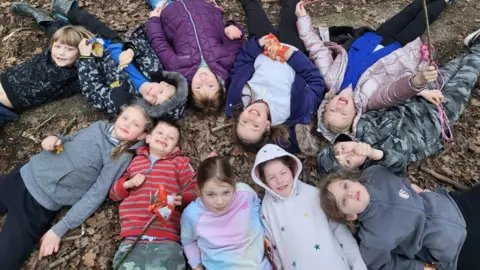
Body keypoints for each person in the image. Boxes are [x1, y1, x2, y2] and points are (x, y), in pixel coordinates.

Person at [0, 103, 153, 269]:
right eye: (125, 118)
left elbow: (96, 194)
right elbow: (68, 140)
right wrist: (52, 139)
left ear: (142, 135)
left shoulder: (120, 156)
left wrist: (60, 228)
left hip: (37, 204)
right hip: (22, 175)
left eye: (136, 124)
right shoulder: (98, 126)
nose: (127, 124)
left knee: (6, 259)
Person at [316, 29, 480, 175]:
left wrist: (421, 91)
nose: (350, 152)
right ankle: (476, 48)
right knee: (466, 77)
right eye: (348, 161)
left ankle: (473, 49)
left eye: (342, 148)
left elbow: (390, 100)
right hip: (436, 119)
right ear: (354, 171)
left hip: (417, 99)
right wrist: (373, 153)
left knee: (448, 70)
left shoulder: (361, 124)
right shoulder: (376, 169)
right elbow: (399, 162)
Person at [296, 0, 451, 141]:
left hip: (374, 38)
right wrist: (418, 82)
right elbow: (394, 92)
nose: (339, 107)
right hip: (399, 48)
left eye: (331, 111)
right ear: (355, 115)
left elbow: (317, 50)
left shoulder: (330, 78)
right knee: (423, 19)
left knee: (409, 11)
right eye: (343, 114)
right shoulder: (369, 100)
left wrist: (303, 20)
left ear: (327, 104)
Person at [319, 165, 478, 270]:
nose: (350, 193)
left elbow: (398, 167)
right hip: (455, 250)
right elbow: (383, 265)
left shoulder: (376, 173)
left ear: (352, 180)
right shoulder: (373, 239)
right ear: (350, 216)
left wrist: (412, 187)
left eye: (345, 186)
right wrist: (419, 267)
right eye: (344, 201)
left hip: (456, 205)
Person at [51, 0, 189, 119]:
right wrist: (130, 51)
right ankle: (70, 11)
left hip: (92, 57)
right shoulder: (154, 69)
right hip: (113, 43)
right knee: (88, 21)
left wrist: (86, 58)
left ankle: (50, 23)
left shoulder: (124, 99)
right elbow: (142, 45)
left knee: (63, 42)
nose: (153, 94)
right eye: (160, 92)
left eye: (154, 101)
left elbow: (92, 90)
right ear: (163, 84)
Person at [227, 0, 325, 154]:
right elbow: (316, 82)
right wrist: (292, 57)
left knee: (252, 8)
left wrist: (256, 45)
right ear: (267, 125)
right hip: (292, 48)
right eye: (255, 126)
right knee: (292, 8)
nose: (251, 118)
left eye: (244, 121)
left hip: (265, 45)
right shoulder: (294, 109)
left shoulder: (238, 95)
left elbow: (240, 65)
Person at [251, 144, 366, 269]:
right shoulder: (267, 209)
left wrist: (357, 265)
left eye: (283, 173)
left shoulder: (314, 194)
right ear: (264, 182)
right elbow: (272, 250)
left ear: (292, 169)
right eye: (272, 178)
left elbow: (340, 231)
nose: (279, 180)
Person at [109, 120, 196, 269]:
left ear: (175, 148)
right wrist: (128, 183)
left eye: (170, 137)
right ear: (148, 138)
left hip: (167, 237)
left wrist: (182, 200)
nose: (164, 138)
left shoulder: (180, 163)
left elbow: (194, 192)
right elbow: (113, 194)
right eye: (160, 133)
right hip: (133, 236)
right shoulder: (133, 161)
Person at [0, 2, 93, 127]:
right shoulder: (49, 53)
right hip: (5, 79)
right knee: (54, 26)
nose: (61, 53)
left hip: (6, 108)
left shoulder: (77, 75)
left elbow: (92, 84)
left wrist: (88, 56)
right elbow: (55, 32)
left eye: (69, 49)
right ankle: (44, 17)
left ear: (81, 52)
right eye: (58, 47)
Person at [145, 0, 244, 114]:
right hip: (202, 7)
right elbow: (235, 41)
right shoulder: (226, 61)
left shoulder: (178, 68)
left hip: (170, 12)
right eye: (210, 85)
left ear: (190, 89)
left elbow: (159, 44)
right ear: (220, 85)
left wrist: (154, 21)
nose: (203, 80)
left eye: (198, 87)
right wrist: (231, 27)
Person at [181, 156, 271, 270]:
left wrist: (262, 231)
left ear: (233, 186)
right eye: (210, 194)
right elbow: (188, 242)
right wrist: (196, 265)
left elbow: (256, 203)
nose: (219, 202)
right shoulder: (192, 214)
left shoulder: (244, 192)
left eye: (226, 192)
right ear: (199, 190)